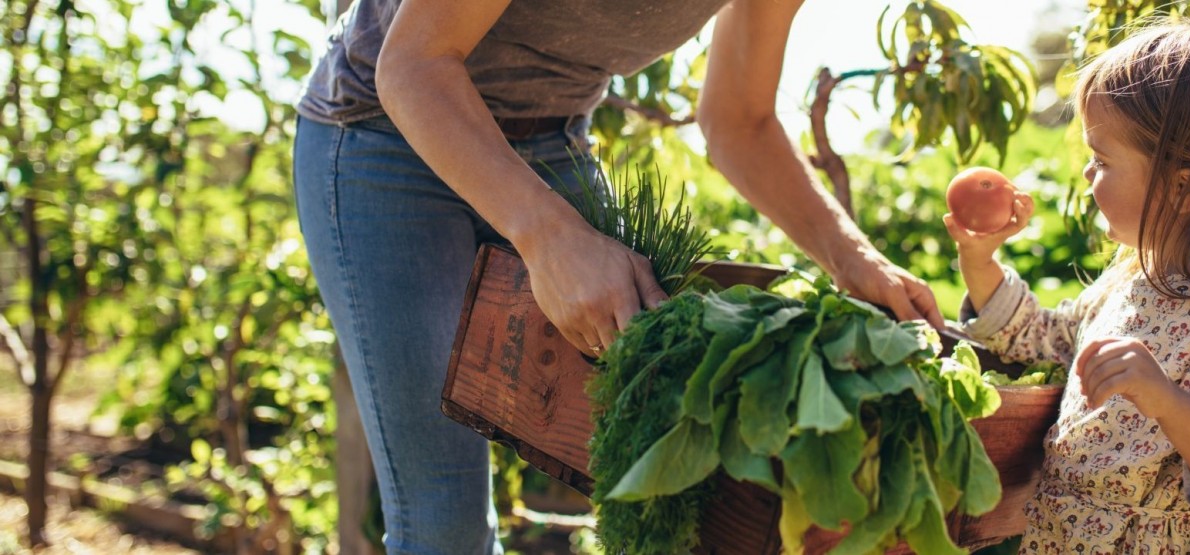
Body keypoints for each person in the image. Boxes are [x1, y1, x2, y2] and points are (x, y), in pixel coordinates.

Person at [292, 0, 944, 552]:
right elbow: (414, 65)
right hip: (384, 136)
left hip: (551, 140)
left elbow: (739, 120)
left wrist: (856, 258)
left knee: (662, 453)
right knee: (444, 510)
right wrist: (551, 239)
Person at [945, 18, 1190, 553]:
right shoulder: (1128, 283)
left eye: (1101, 160)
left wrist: (1168, 402)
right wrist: (979, 259)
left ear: (1184, 187)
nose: (1086, 176)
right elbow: (1038, 336)